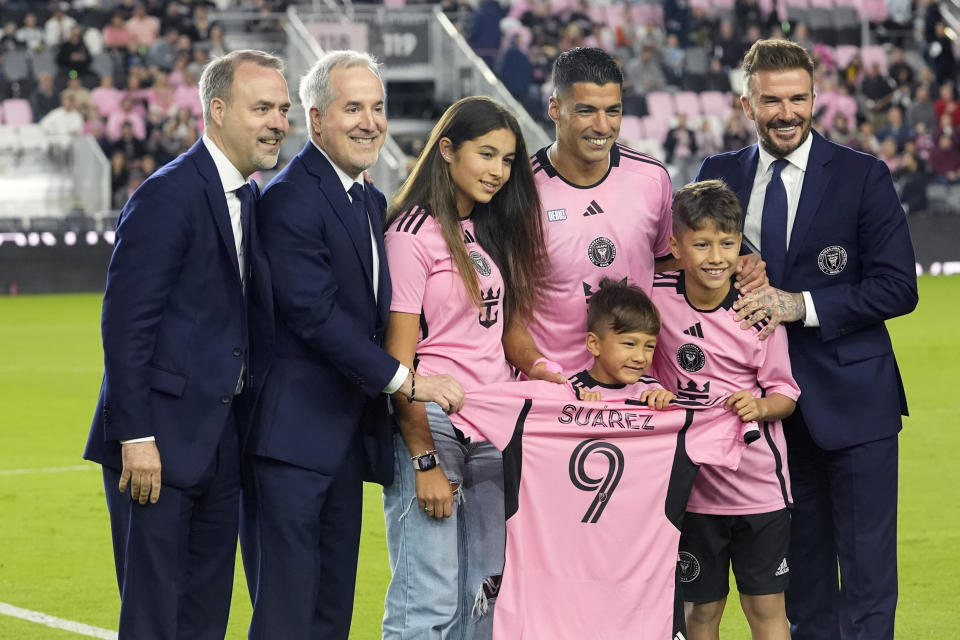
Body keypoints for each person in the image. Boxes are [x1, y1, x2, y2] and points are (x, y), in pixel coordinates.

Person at [695, 39, 918, 640]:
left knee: (868, 570)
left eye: (797, 98)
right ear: (748, 103)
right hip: (769, 411)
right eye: (772, 100)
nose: (786, 112)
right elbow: (691, 267)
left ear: (816, 99)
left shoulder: (862, 175)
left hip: (855, 402)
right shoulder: (717, 174)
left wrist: (801, 305)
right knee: (802, 572)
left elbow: (899, 287)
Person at [242, 50, 464, 640]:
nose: (370, 121)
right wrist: (405, 379)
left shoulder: (367, 198)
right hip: (289, 441)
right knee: (287, 612)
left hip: (342, 439)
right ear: (316, 120)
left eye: (378, 107)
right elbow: (314, 317)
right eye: (353, 108)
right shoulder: (289, 198)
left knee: (332, 608)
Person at [83, 49, 290, 639]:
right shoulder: (168, 194)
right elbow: (125, 326)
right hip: (156, 447)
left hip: (219, 443)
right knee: (155, 620)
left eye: (282, 108)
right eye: (262, 108)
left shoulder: (249, 198)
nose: (278, 121)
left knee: (205, 617)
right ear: (217, 111)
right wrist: (135, 436)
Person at [381, 95, 549, 640]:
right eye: (487, 155)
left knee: (483, 599)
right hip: (432, 425)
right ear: (447, 150)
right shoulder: (410, 232)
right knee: (426, 603)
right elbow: (397, 363)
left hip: (495, 428)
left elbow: (503, 334)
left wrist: (542, 368)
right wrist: (424, 460)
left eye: (507, 160)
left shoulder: (490, 228)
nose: (499, 172)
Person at [502, 46, 766, 379]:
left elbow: (669, 263)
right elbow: (506, 310)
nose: (602, 126)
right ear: (555, 108)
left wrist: (736, 266)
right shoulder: (521, 191)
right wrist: (541, 369)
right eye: (586, 111)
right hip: (555, 391)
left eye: (613, 111)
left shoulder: (651, 178)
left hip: (639, 393)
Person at [650, 180, 800, 640]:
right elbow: (636, 358)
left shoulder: (757, 310)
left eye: (727, 243)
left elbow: (786, 394)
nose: (715, 256)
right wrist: (651, 389)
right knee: (700, 614)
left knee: (765, 611)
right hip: (693, 494)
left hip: (759, 492)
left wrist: (758, 406)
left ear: (741, 246)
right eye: (701, 243)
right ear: (675, 245)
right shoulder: (655, 297)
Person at [572, 277, 675, 408]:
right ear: (594, 344)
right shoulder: (574, 391)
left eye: (649, 346)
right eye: (629, 344)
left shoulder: (652, 390)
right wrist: (579, 411)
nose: (640, 357)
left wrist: (669, 400)